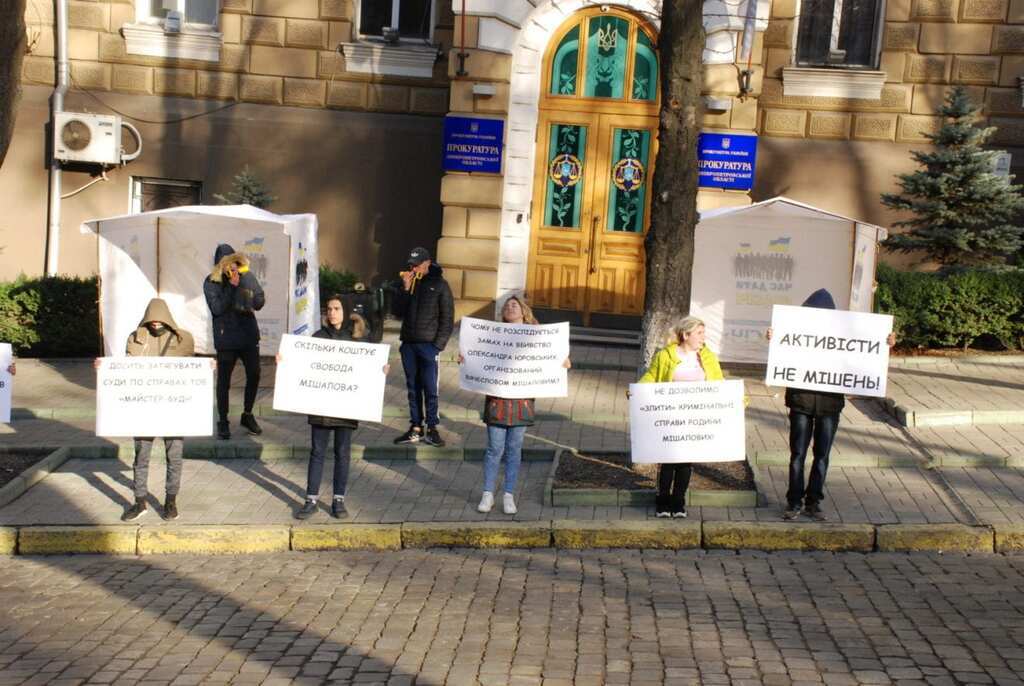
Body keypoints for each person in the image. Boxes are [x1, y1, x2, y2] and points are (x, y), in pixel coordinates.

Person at [767, 288, 896, 521]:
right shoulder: (796, 331)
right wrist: (775, 338)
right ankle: (794, 501)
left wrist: (884, 343)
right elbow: (783, 350)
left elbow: (864, 355)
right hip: (801, 402)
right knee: (798, 454)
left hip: (829, 405)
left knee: (821, 455)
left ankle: (813, 502)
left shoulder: (843, 335)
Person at [460, 295, 571, 515]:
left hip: (521, 402)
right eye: (507, 306)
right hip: (497, 401)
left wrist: (563, 363)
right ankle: (488, 494)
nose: (510, 307)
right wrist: (466, 361)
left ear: (523, 310)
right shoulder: (491, 334)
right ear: (503, 313)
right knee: (494, 448)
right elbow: (477, 357)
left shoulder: (538, 335)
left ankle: (508, 495)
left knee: (514, 449)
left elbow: (553, 358)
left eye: (515, 304)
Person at [285, 296, 386, 520]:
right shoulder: (318, 337)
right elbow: (303, 365)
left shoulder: (358, 339)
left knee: (342, 452)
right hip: (321, 405)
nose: (332, 313)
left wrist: (381, 370)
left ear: (346, 311)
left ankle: (338, 500)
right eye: (329, 309)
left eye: (337, 308)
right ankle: (311, 499)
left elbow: (369, 369)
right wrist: (285, 361)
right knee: (317, 452)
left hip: (346, 406)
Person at [118, 298, 196, 521]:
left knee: (174, 455)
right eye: (150, 320)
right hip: (144, 407)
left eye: (158, 319)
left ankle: (170, 501)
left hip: (173, 407)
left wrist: (207, 367)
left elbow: (191, 368)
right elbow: (126, 367)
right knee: (141, 456)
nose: (154, 323)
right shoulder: (136, 338)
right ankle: (139, 501)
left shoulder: (183, 339)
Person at [638, 316, 724, 518]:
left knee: (685, 462)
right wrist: (636, 392)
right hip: (670, 415)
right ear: (686, 335)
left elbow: (718, 381)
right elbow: (652, 376)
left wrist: (739, 400)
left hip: (694, 417)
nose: (704, 337)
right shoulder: (666, 355)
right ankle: (662, 502)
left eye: (704, 333)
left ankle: (678, 503)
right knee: (668, 460)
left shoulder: (708, 357)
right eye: (700, 333)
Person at [391, 246, 454, 447]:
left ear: (427, 263)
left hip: (429, 346)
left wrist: (437, 346)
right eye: (411, 264)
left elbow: (447, 318)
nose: (414, 267)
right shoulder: (407, 283)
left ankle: (432, 428)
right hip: (408, 344)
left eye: (417, 264)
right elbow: (397, 313)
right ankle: (415, 427)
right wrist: (404, 289)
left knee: (430, 388)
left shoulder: (441, 285)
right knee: (412, 387)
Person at [203, 243, 265, 440]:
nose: (231, 266)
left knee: (254, 374)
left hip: (248, 335)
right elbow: (217, 308)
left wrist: (247, 280)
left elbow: (259, 302)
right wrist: (231, 286)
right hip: (226, 337)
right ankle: (223, 420)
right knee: (224, 382)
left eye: (233, 262)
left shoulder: (245, 275)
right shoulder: (211, 282)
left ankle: (247, 414)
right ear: (219, 265)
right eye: (226, 263)